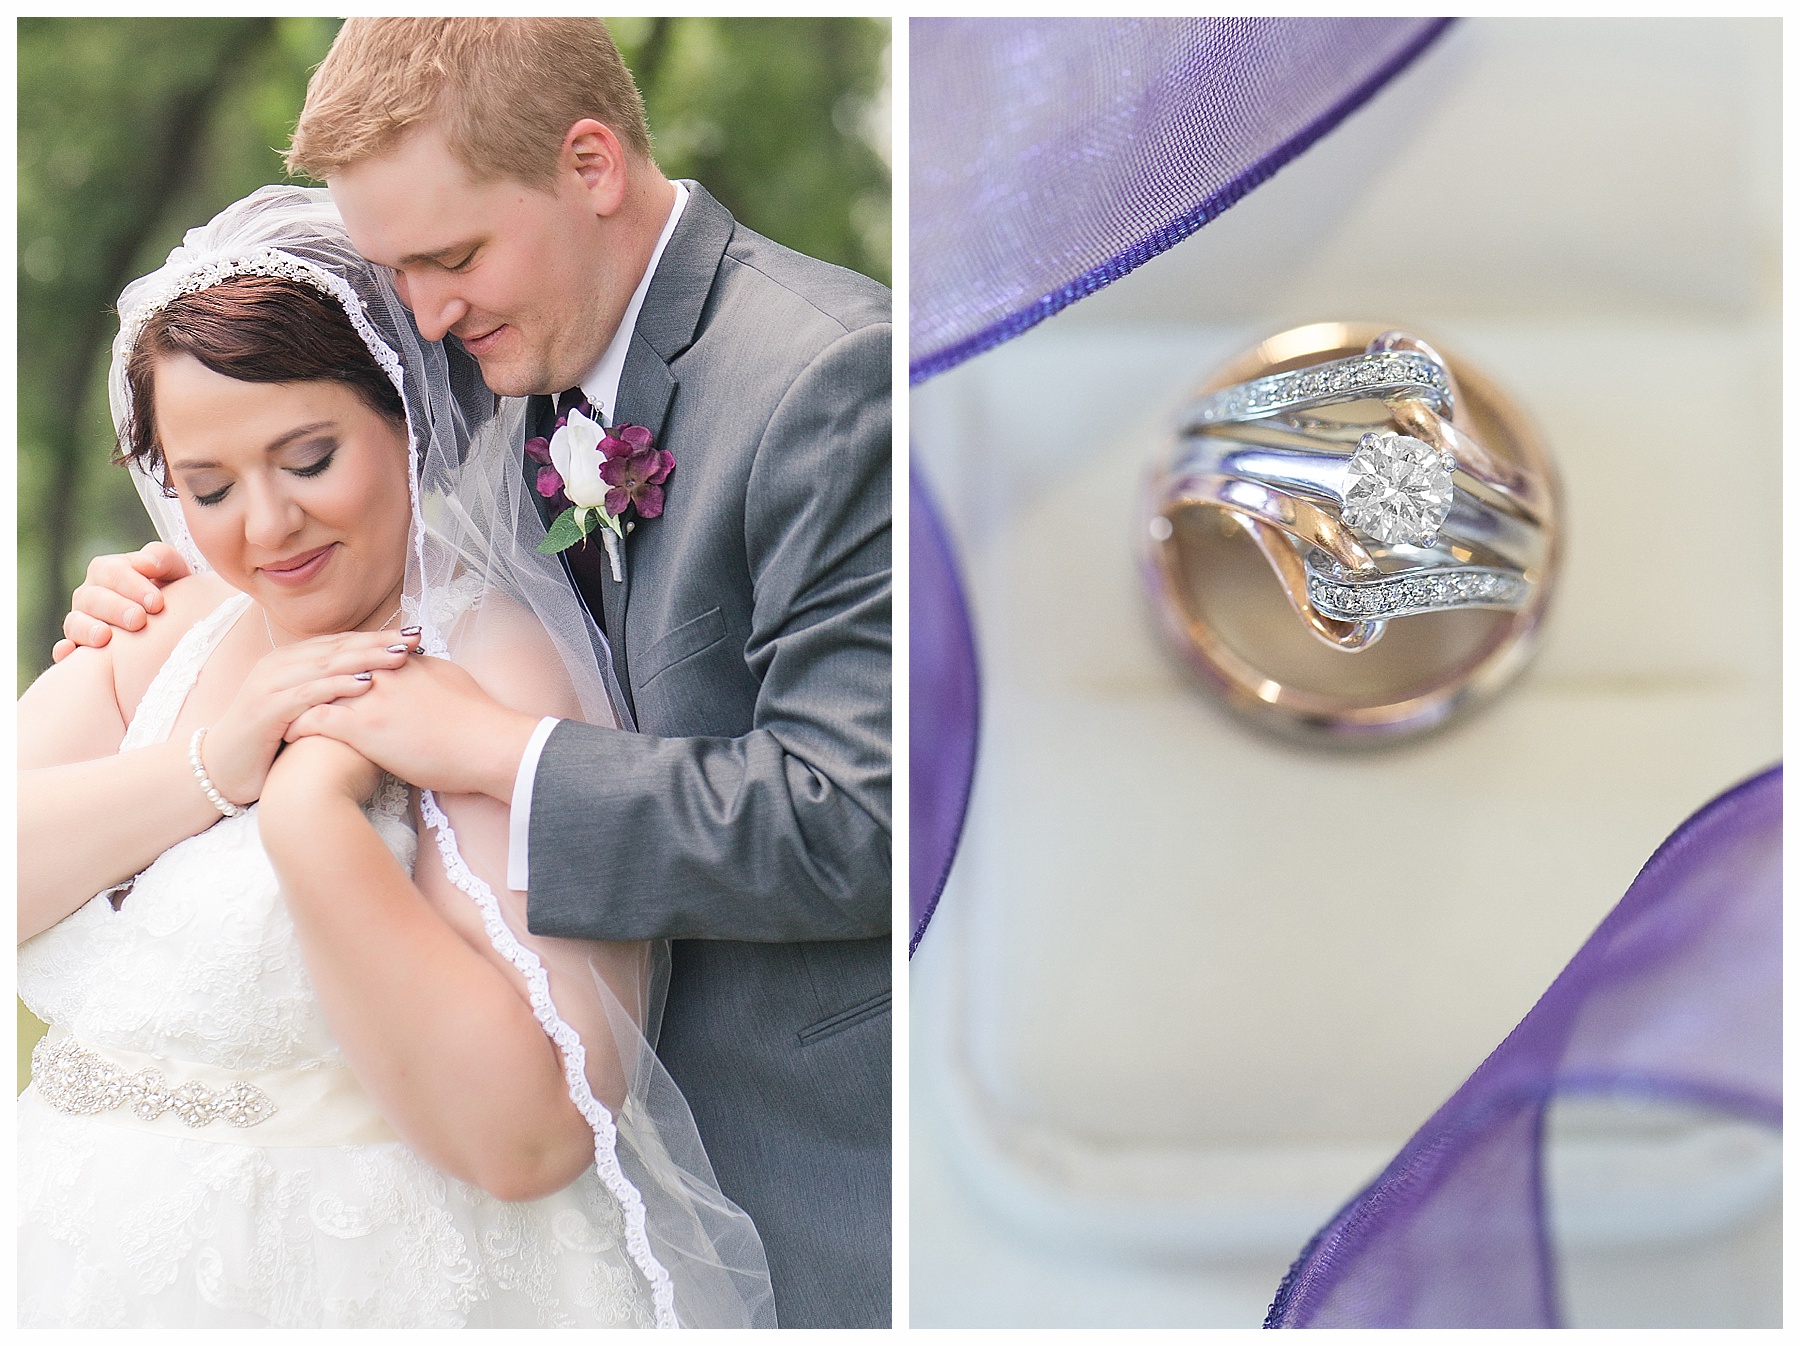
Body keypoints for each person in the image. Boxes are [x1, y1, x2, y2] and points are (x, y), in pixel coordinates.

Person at [53, 18, 892, 1329]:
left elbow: (863, 817)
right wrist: (192, 572)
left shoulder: (823, 376)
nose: (425, 315)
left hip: (813, 1166)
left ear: (593, 163)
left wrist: (500, 750)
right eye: (398, 272)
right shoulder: (513, 359)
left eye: (449, 257)